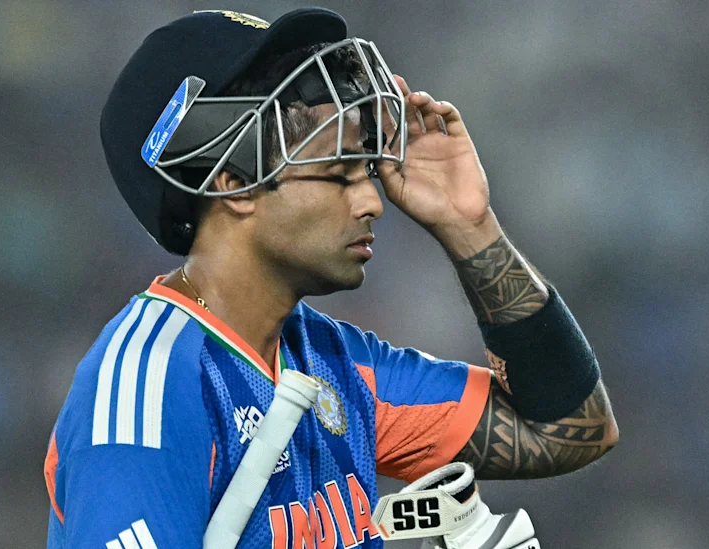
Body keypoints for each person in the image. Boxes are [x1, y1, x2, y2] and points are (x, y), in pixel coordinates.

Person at [44, 8, 618, 549]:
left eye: (368, 170)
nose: (373, 201)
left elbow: (570, 429)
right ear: (232, 183)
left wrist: (468, 226)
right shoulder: (147, 389)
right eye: (339, 173)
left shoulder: (331, 360)